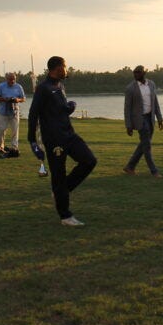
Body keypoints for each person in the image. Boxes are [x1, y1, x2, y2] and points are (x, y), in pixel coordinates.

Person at [28, 56, 97, 227]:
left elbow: (60, 110)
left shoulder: (59, 86)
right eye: (65, 67)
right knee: (58, 175)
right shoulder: (43, 88)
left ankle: (62, 190)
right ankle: (65, 216)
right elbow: (33, 114)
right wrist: (32, 140)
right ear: (57, 68)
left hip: (69, 134)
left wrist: (70, 107)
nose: (67, 70)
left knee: (89, 160)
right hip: (54, 139)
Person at [122, 65, 163, 178]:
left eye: (138, 72)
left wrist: (159, 118)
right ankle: (154, 171)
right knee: (147, 146)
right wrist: (128, 125)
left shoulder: (151, 84)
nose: (135, 75)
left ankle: (130, 167)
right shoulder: (130, 88)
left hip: (150, 118)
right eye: (134, 73)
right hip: (140, 120)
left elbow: (155, 102)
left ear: (144, 73)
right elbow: (127, 108)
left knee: (144, 144)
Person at [0, 72, 26, 159]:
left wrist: (17, 100)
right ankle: (1, 147)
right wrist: (5, 99)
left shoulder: (18, 87)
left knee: (15, 131)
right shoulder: (1, 86)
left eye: (13, 79)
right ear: (6, 79)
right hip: (3, 112)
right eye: (10, 79)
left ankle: (14, 148)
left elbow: (23, 98)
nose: (12, 81)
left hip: (14, 112)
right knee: (1, 129)